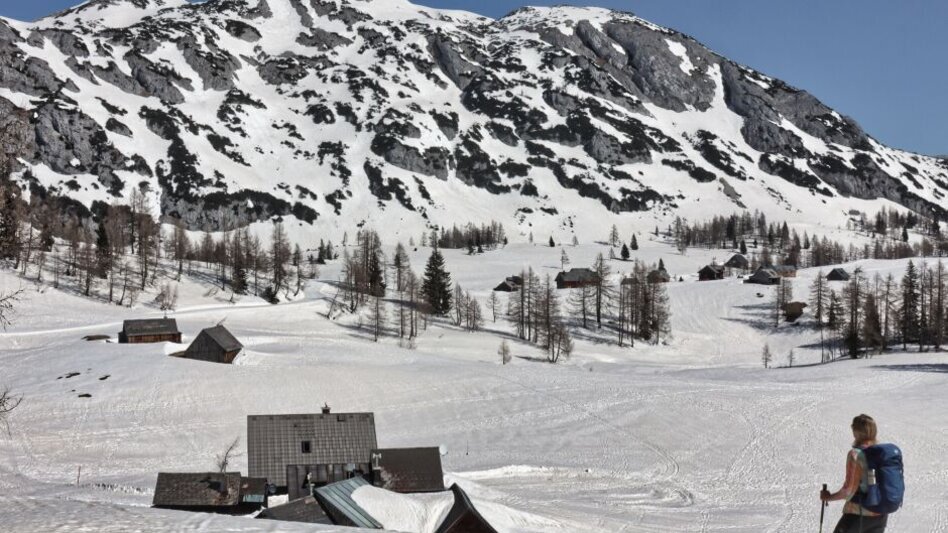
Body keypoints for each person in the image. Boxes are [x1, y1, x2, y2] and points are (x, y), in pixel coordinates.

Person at [820, 414, 888, 533]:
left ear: (856, 432)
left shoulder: (855, 454)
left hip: (858, 514)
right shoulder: (883, 454)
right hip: (881, 515)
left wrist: (828, 497)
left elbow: (848, 491)